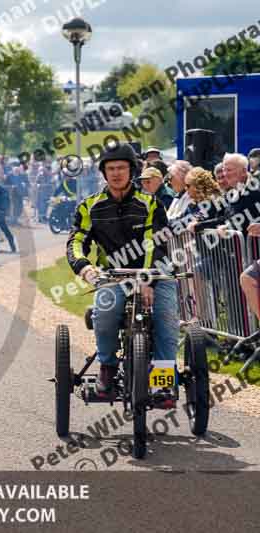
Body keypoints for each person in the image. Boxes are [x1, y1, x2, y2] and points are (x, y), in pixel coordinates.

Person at [67, 143, 177, 402]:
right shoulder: (89, 207)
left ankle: (163, 381)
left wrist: (146, 280)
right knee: (104, 312)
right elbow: (76, 242)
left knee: (166, 319)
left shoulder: (151, 204)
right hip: (114, 276)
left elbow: (157, 243)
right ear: (104, 173)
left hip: (157, 274)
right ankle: (107, 369)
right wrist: (84, 267)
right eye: (111, 168)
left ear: (132, 171)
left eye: (122, 168)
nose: (116, 173)